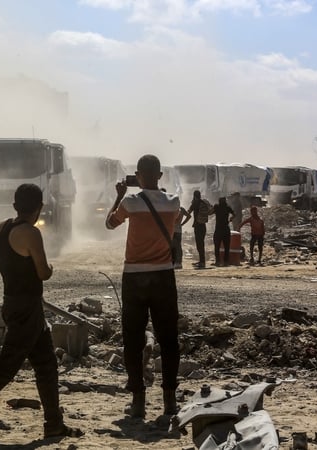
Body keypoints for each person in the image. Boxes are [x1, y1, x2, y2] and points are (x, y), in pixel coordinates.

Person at [0, 183, 83, 439]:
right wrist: (50, 267)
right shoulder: (31, 234)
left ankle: (54, 424)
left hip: (15, 305)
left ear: (15, 206)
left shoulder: (1, 228)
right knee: (5, 368)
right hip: (26, 310)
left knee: (46, 364)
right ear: (40, 207)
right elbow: (43, 273)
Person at [105, 154, 181, 419]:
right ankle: (170, 400)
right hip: (163, 276)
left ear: (138, 176)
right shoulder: (173, 202)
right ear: (159, 176)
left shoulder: (130, 202)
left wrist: (119, 196)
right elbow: (177, 225)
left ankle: (138, 400)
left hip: (134, 276)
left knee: (133, 340)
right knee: (169, 339)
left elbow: (109, 223)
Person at [182, 191, 209, 268]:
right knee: (201, 243)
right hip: (203, 225)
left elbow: (188, 212)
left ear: (194, 196)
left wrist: (182, 220)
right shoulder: (203, 202)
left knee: (199, 244)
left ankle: (202, 262)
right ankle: (201, 261)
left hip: (197, 226)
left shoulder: (195, 203)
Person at [210, 197, 235, 266]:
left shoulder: (216, 207)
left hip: (218, 229)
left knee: (217, 246)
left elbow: (209, 213)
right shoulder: (227, 207)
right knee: (226, 247)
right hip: (226, 229)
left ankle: (217, 261)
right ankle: (226, 261)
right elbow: (234, 214)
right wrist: (230, 219)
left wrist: (211, 207)